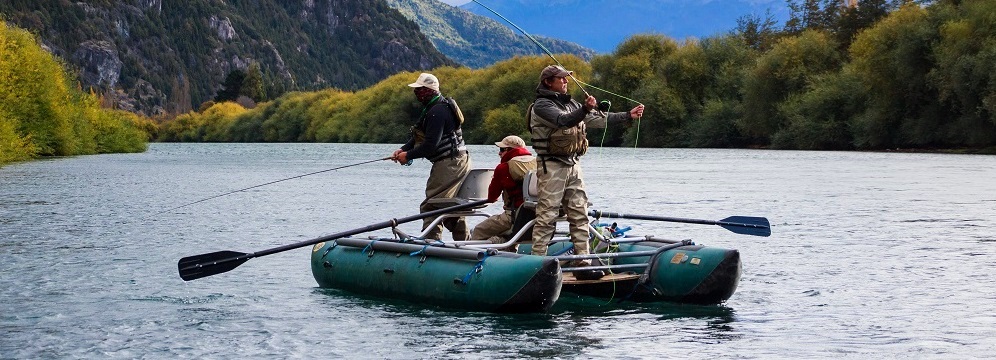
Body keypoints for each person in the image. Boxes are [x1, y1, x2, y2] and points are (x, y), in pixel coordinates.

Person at [528, 65, 645, 276]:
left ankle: (582, 261)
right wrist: (584, 108)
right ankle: (537, 263)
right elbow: (563, 121)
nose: (566, 82)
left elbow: (597, 119)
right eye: (561, 79)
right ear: (548, 82)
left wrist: (628, 115)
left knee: (579, 214)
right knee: (547, 216)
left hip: (574, 166)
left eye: (566, 79)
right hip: (551, 166)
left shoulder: (571, 103)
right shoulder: (542, 105)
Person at [391, 73, 471, 240]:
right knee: (448, 205)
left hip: (450, 163)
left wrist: (409, 155)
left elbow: (430, 145)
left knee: (431, 205)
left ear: (428, 90)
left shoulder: (438, 111)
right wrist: (403, 149)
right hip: (457, 161)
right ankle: (465, 242)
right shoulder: (436, 107)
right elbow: (419, 137)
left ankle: (430, 243)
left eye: (419, 90)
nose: (416, 93)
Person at [471, 135, 536, 249]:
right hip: (537, 216)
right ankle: (506, 248)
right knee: (509, 233)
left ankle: (474, 258)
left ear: (510, 150)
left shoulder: (503, 168)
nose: (499, 153)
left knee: (479, 230)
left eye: (502, 150)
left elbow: (492, 197)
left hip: (513, 217)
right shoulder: (537, 163)